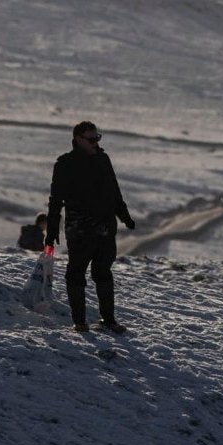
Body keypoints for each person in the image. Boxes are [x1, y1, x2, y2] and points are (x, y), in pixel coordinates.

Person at [46, 121, 136, 334]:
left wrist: (124, 216)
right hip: (79, 230)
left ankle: (109, 320)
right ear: (78, 140)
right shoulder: (65, 164)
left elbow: (114, 191)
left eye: (98, 138)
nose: (96, 143)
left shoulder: (103, 159)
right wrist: (51, 231)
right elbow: (55, 200)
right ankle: (79, 322)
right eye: (91, 139)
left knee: (103, 273)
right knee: (76, 274)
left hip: (105, 228)